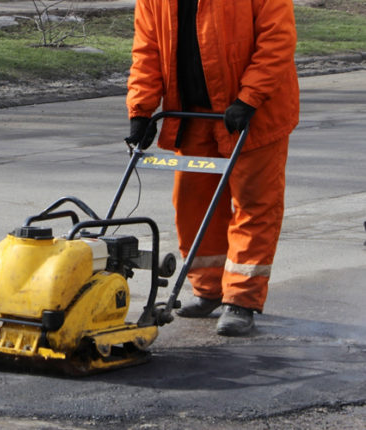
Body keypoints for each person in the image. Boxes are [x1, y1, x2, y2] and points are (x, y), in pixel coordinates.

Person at [124, 0, 299, 335]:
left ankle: (241, 301)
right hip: (193, 115)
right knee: (193, 205)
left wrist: (249, 97)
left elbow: (276, 41)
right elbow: (146, 50)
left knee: (254, 205)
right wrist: (141, 111)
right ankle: (209, 290)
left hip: (252, 116)